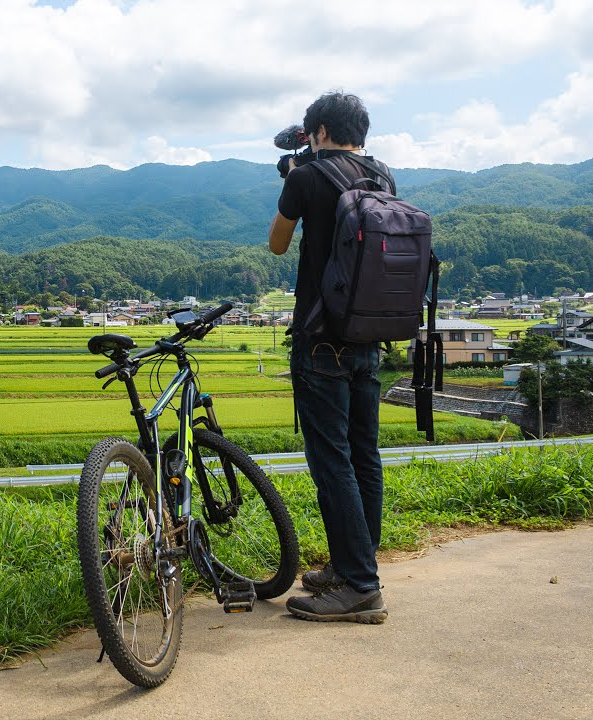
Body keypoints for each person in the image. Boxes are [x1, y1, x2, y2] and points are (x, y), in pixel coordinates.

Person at [268, 92, 391, 624]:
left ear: (317, 130)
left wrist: (292, 178)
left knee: (332, 462)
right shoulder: (383, 176)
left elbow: (277, 244)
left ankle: (360, 586)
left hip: (320, 342)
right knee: (364, 456)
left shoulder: (306, 178)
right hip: (369, 336)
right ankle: (354, 566)